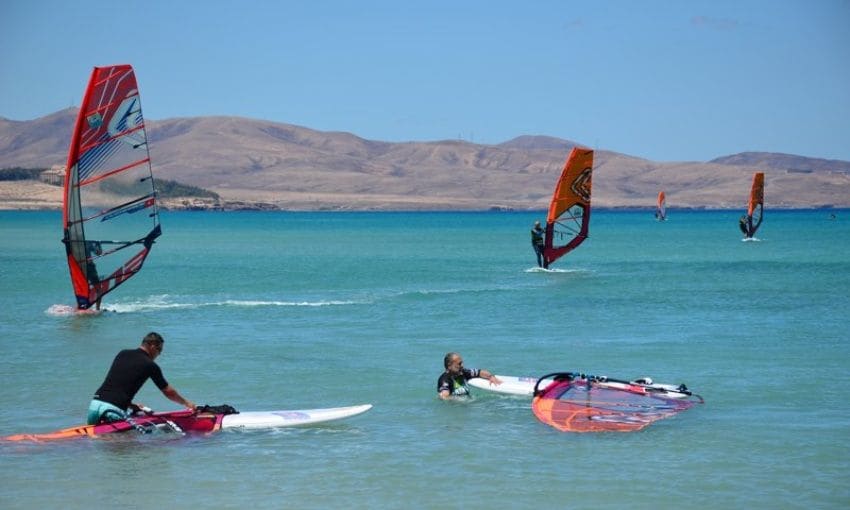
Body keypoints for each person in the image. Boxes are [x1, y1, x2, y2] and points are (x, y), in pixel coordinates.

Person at [86, 332, 196, 425]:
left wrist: (131, 405)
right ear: (152, 346)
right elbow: (168, 392)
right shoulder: (150, 365)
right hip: (112, 411)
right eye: (159, 350)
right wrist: (187, 403)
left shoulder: (122, 353)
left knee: (94, 441)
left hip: (95, 405)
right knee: (124, 446)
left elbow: (116, 384)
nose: (159, 354)